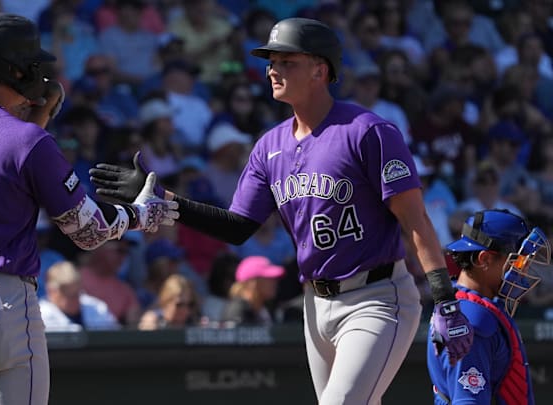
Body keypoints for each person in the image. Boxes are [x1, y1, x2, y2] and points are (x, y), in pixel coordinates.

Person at [90, 17, 474, 404]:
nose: (273, 69)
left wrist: (444, 297)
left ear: (320, 70)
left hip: (376, 296)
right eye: (272, 61)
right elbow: (238, 226)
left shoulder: (367, 131)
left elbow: (415, 219)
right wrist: (167, 200)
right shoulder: (268, 147)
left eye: (287, 61)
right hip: (315, 303)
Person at [0, 13, 178, 405]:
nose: (41, 73)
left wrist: (37, 120)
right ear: (14, 70)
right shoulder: (27, 142)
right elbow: (89, 233)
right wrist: (141, 214)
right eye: (32, 65)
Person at [428, 209, 549, 404]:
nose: (523, 269)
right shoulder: (472, 319)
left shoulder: (470, 308)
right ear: (484, 259)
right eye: (517, 261)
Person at [39, 260, 120, 332]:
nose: (74, 300)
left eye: (77, 294)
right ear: (51, 291)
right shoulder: (39, 315)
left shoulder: (98, 308)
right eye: (69, 295)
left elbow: (116, 336)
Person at [221, 255, 284, 326]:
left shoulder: (267, 308)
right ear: (252, 282)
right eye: (269, 278)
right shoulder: (237, 311)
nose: (275, 283)